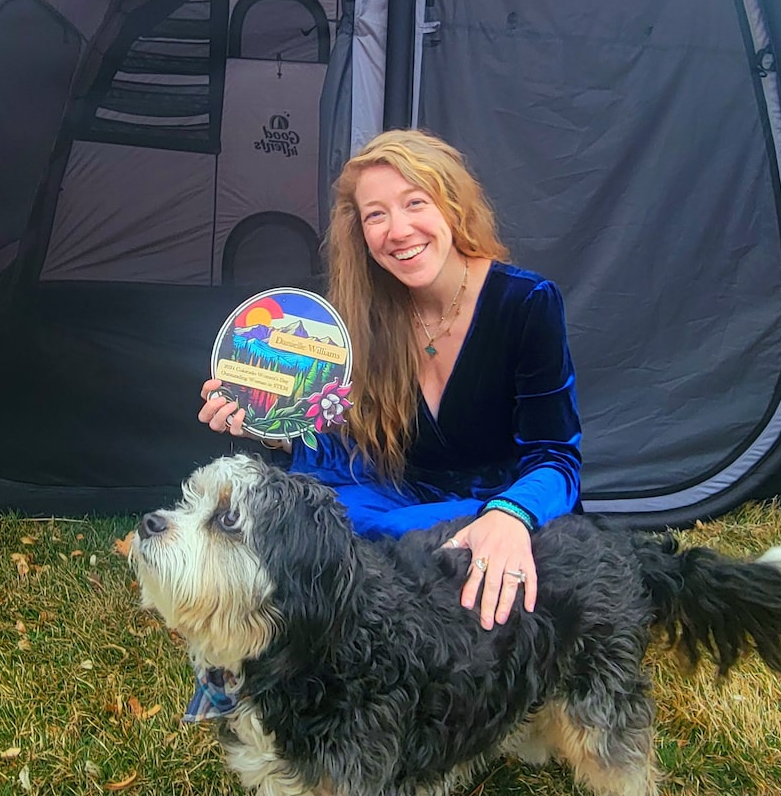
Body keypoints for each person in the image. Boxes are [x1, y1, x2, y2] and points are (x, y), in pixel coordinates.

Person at [199, 129, 582, 631]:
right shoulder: (361, 317)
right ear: (360, 231)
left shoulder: (527, 304)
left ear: (451, 205)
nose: (398, 230)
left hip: (498, 505)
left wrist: (510, 516)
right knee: (305, 515)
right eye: (376, 215)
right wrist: (273, 431)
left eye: (414, 203)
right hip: (394, 498)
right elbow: (357, 457)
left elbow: (558, 457)